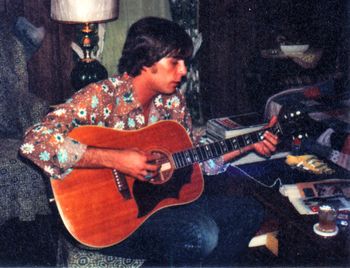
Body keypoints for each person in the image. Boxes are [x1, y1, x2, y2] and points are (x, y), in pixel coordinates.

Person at [20, 17, 279, 266]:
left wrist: (247, 145)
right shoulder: (101, 97)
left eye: (185, 63)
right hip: (107, 222)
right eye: (175, 62)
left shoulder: (173, 101)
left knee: (249, 211)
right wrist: (117, 160)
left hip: (159, 207)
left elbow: (192, 161)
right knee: (202, 233)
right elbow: (34, 142)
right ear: (146, 61)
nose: (184, 71)